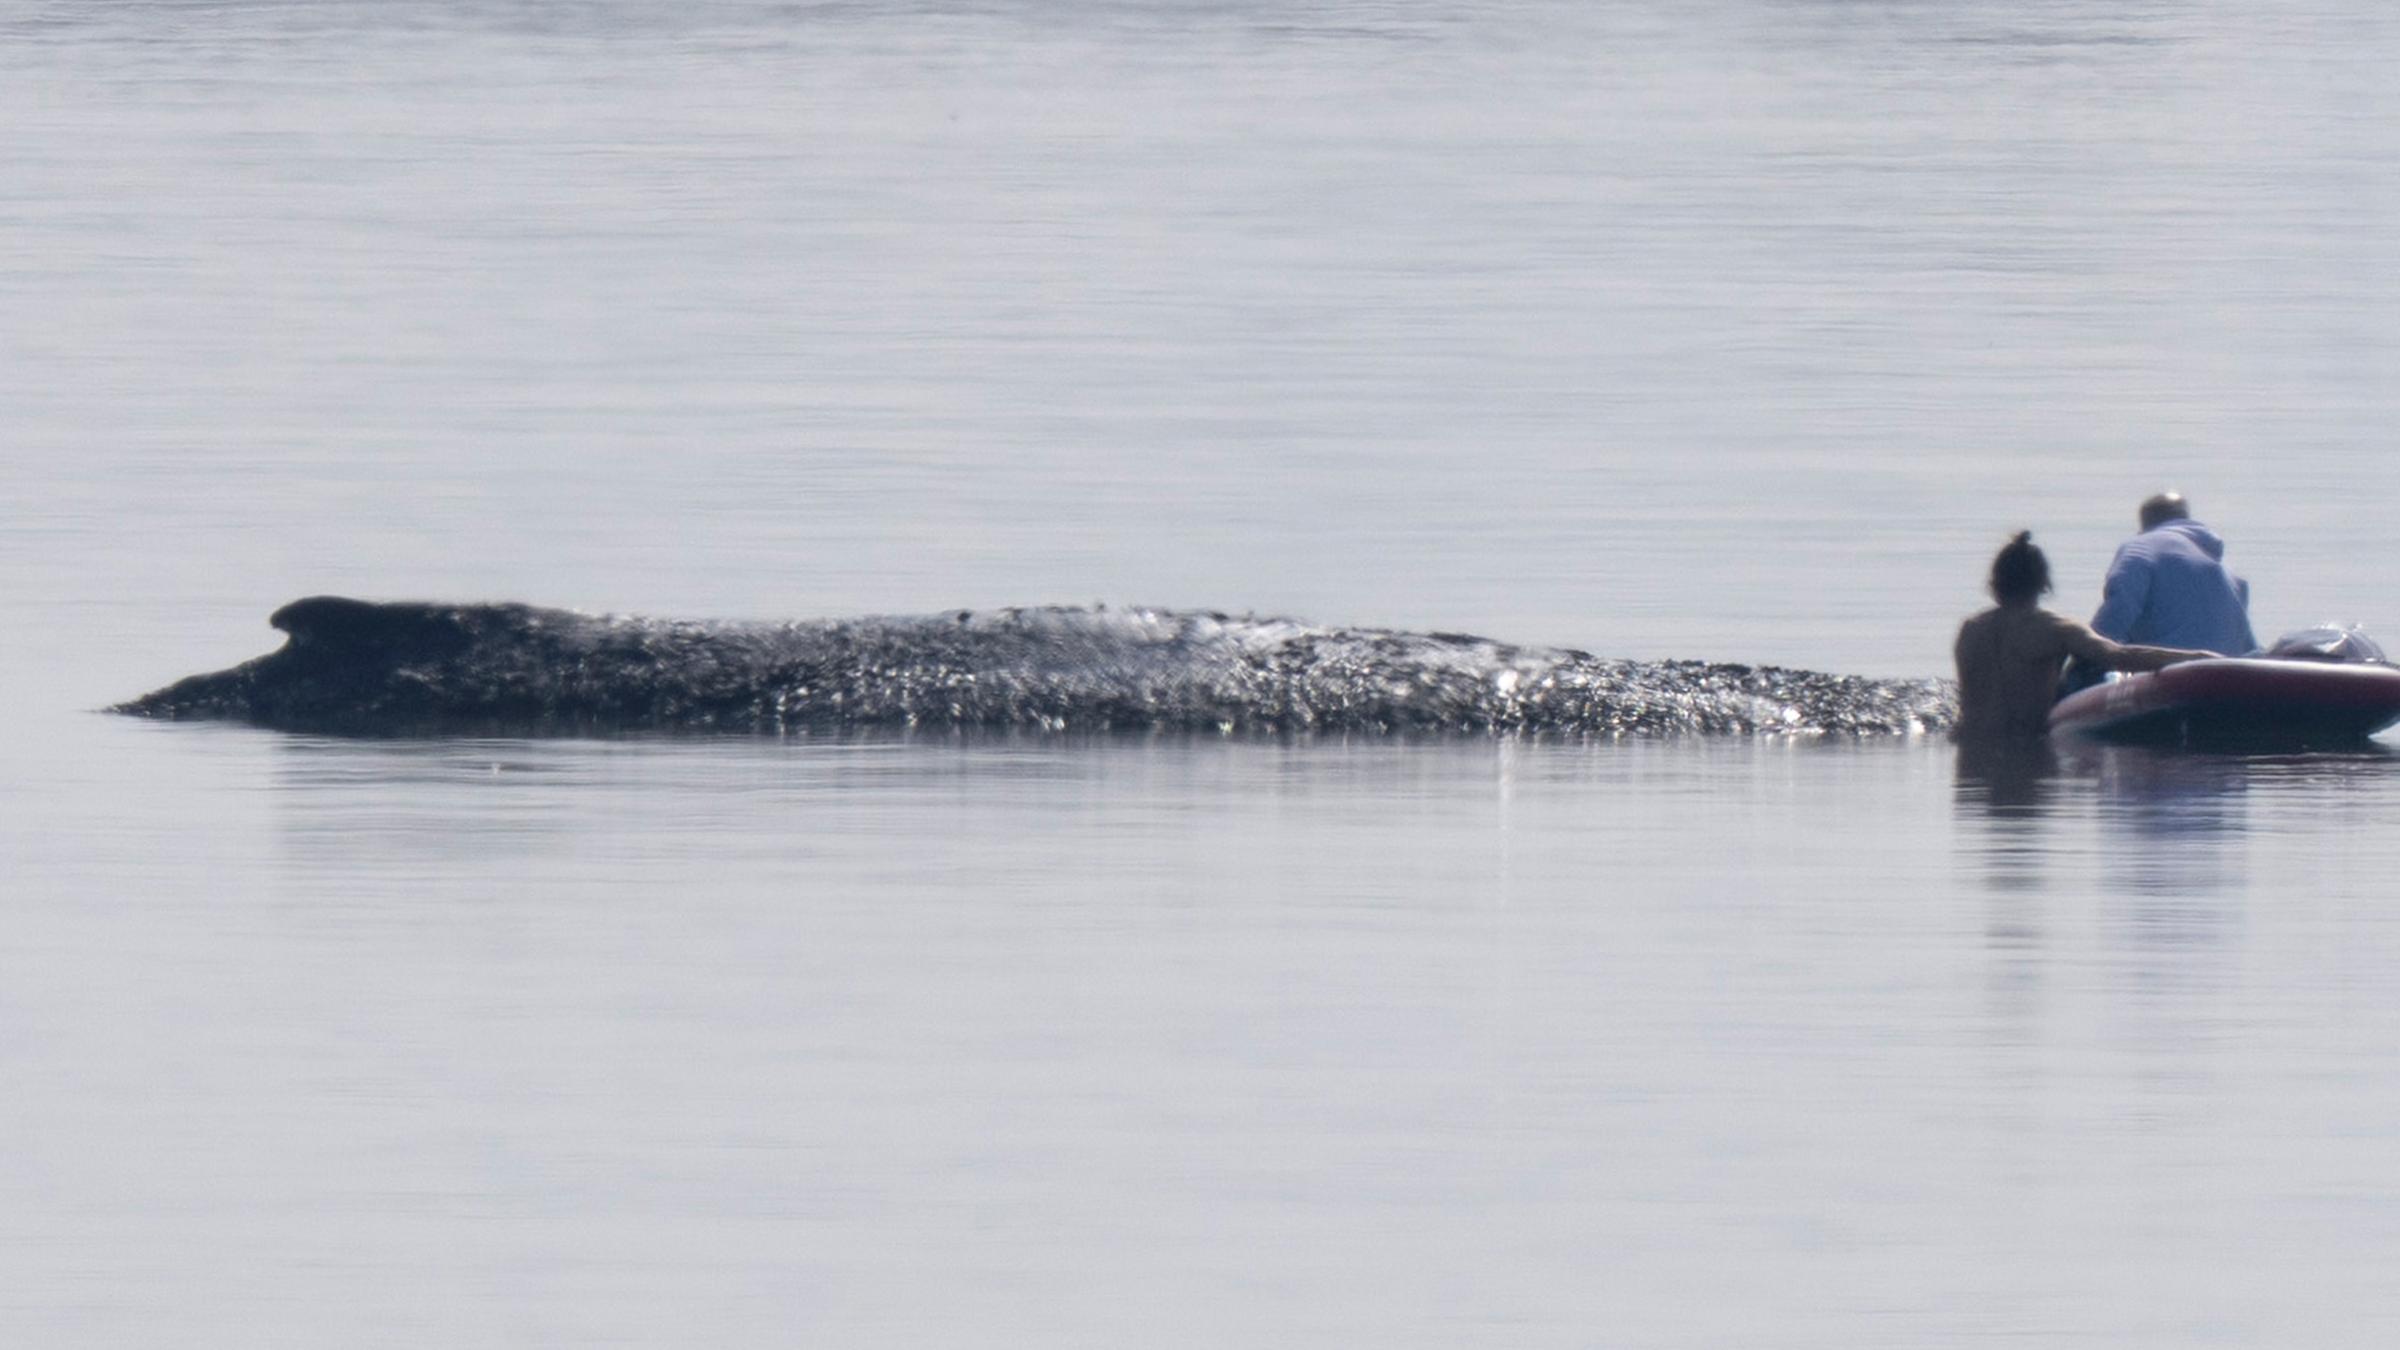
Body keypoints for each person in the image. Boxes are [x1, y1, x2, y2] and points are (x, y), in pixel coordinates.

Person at [1954, 531, 2208, 742]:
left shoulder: (1969, 630)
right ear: (2043, 583)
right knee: (2088, 668)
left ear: (1994, 583)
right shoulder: (2054, 628)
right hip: (2027, 744)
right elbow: (2118, 656)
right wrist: (2199, 658)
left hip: (1968, 746)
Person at [2091, 492, 2257, 656]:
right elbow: (2248, 646)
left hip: (2171, 671)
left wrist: (2084, 652)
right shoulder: (2230, 575)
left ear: (2144, 522)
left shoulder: (2141, 547)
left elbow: (2120, 609)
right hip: (2227, 673)